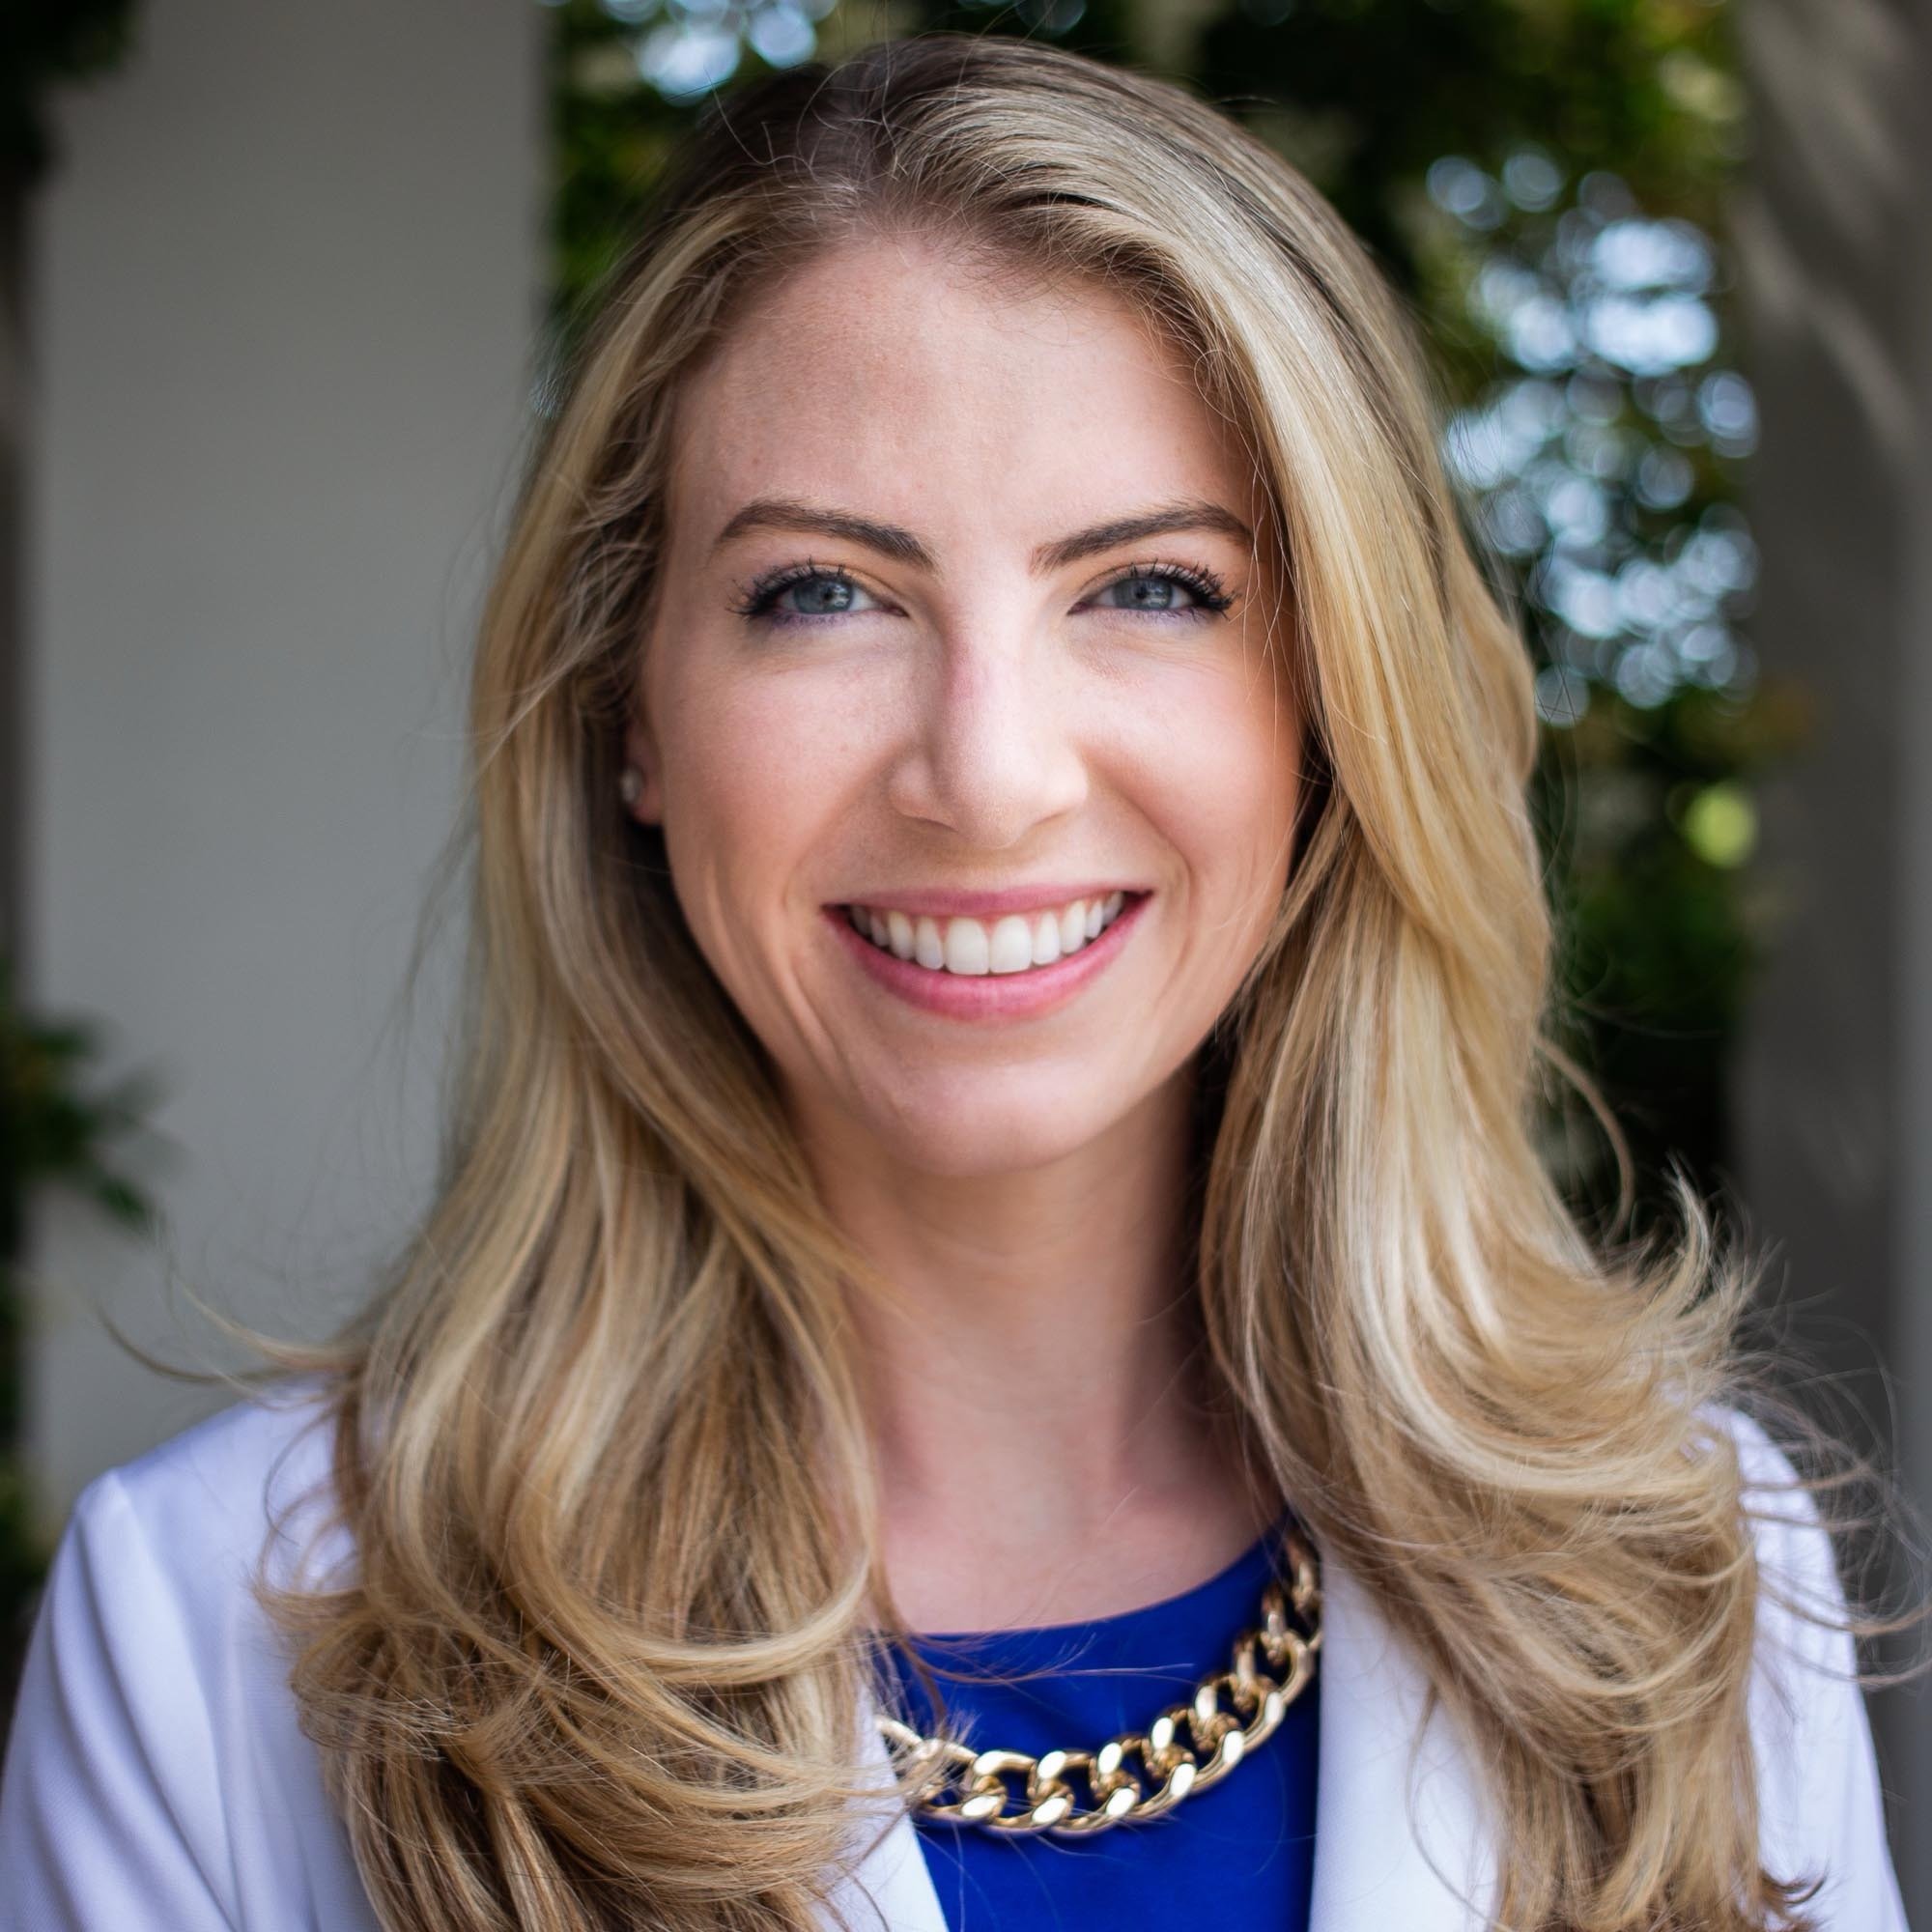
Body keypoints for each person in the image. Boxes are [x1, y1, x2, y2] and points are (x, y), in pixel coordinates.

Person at [0, 32, 1912, 1932]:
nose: (986, 773)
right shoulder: (217, 1635)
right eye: (821, 592)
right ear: (626, 717)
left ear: (1333, 709)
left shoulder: (1689, 1575)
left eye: (1149, 587)